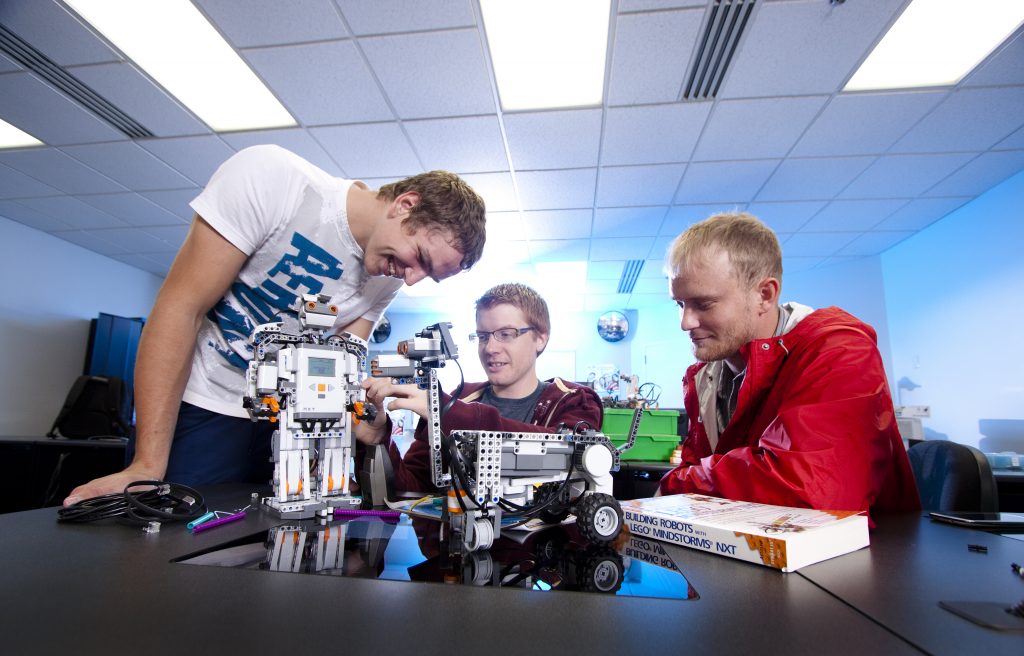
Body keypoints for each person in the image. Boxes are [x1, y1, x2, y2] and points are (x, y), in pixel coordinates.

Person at [65, 144, 486, 505]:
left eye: (428, 276)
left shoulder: (386, 275)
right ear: (405, 205)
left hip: (285, 426)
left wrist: (368, 424)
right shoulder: (275, 180)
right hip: (203, 404)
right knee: (166, 547)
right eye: (421, 260)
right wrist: (147, 465)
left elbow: (339, 370)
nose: (411, 279)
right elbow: (181, 308)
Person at [656, 212, 920, 519]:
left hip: (857, 561)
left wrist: (677, 485)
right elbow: (702, 472)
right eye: (680, 304)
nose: (685, 322)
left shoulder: (839, 350)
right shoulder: (707, 377)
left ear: (764, 295)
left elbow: (812, 494)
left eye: (704, 304)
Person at [360, 283, 602, 493]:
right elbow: (412, 488)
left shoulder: (575, 401)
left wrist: (446, 413)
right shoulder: (460, 399)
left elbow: (566, 453)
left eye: (506, 334)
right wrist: (377, 439)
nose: (490, 348)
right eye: (483, 336)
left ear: (540, 338)